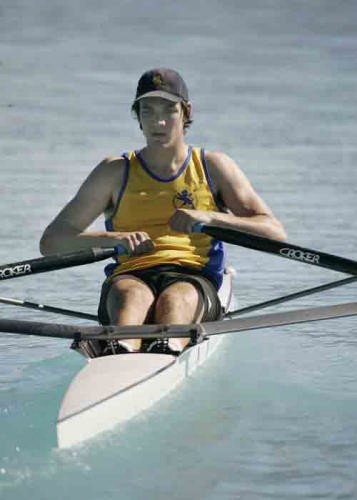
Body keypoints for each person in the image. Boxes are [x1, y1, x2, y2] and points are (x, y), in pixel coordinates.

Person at [40, 68, 286, 355]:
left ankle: (163, 349)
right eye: (147, 111)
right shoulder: (114, 171)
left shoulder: (215, 167)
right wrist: (113, 238)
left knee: (175, 299)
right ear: (137, 115)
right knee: (131, 295)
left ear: (186, 112)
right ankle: (120, 351)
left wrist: (210, 217)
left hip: (193, 277)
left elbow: (274, 232)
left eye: (169, 110)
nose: (158, 122)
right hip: (130, 274)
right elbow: (52, 242)